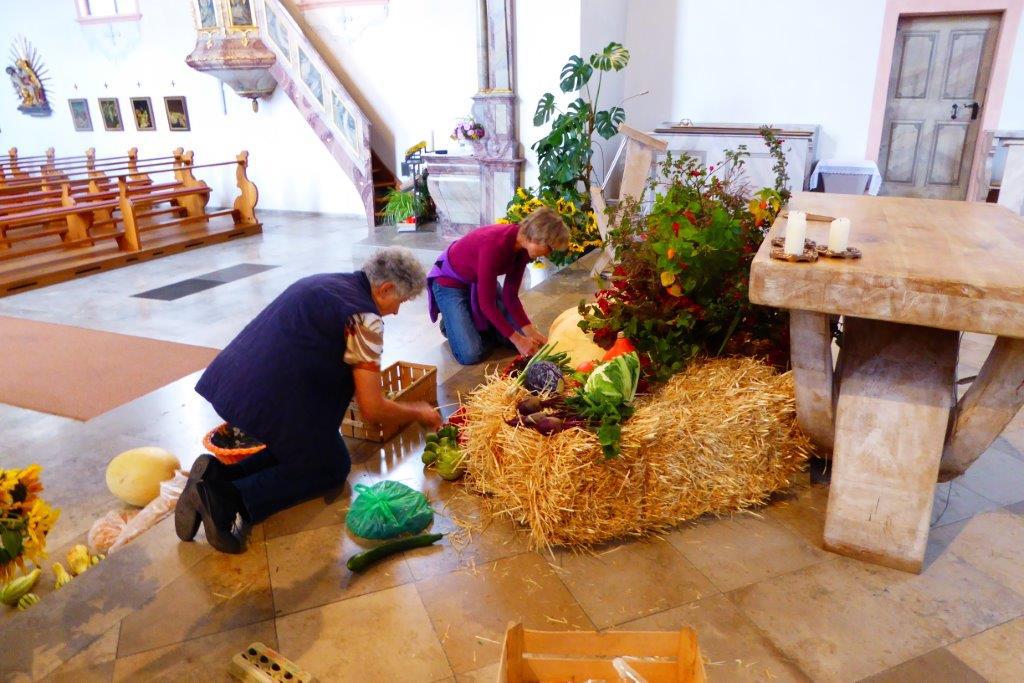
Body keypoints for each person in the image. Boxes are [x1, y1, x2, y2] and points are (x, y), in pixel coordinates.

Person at [176, 247, 442, 553]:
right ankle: (227, 499)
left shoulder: (325, 282)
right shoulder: (365, 319)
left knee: (318, 450)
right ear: (385, 289)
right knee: (330, 467)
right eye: (400, 301)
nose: (395, 312)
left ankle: (216, 476)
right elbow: (371, 408)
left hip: (232, 383)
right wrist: (417, 411)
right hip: (267, 402)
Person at [427, 207, 570, 365]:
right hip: (450, 282)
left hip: (478, 279)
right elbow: (486, 304)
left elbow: (510, 296)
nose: (548, 254)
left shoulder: (523, 249)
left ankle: (471, 320)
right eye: (550, 248)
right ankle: (449, 324)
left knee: (524, 340)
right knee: (470, 354)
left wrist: (532, 333)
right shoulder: (493, 244)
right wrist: (518, 340)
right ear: (538, 237)